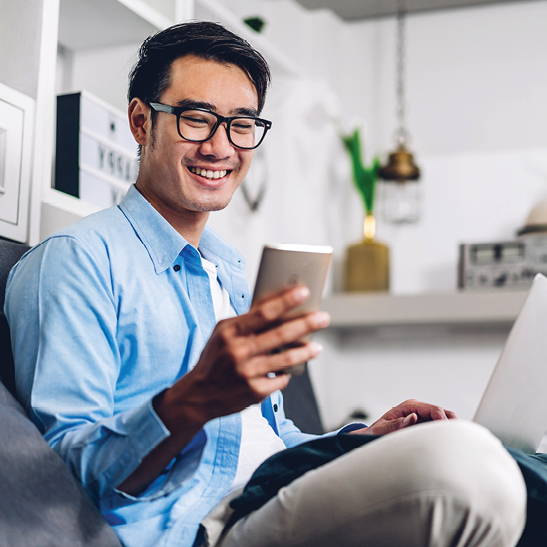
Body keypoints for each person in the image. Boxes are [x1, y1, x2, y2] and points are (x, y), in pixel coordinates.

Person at [5, 21, 527, 547]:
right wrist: (193, 397)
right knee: (468, 470)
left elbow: (268, 440)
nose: (220, 146)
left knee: (503, 460)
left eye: (241, 124)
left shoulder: (228, 272)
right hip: (200, 528)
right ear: (141, 123)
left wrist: (360, 442)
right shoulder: (75, 262)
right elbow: (63, 477)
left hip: (272, 494)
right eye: (196, 119)